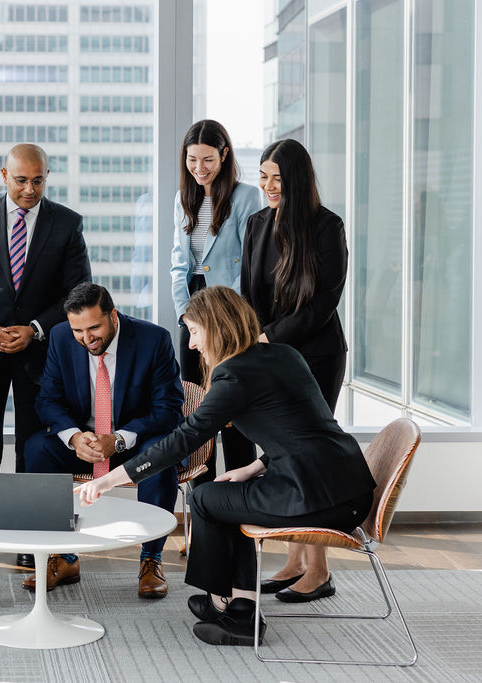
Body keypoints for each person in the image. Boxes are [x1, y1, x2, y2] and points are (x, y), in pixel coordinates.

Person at [75, 286, 375, 647]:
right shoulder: (284, 354)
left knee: (206, 499)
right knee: (224, 495)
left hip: (319, 497)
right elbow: (304, 431)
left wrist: (109, 480)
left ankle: (238, 611)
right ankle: (228, 598)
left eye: (195, 332)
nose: (192, 345)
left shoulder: (232, 376)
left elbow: (182, 440)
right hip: (350, 487)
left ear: (215, 328)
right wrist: (253, 468)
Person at [0, 143, 91, 568]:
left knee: (36, 449)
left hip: (41, 353)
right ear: (3, 175)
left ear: (48, 175)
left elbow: (76, 290)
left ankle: (36, 544)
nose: (30, 189)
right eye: (21, 180)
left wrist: (33, 330)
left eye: (38, 180)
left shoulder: (67, 224)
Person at [24, 282, 183, 598]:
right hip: (85, 443)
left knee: (160, 456)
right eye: (78, 331)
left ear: (112, 315)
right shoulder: (59, 337)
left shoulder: (154, 340)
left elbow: (168, 410)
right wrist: (75, 437)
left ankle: (151, 559)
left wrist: (119, 440)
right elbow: (48, 401)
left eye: (93, 327)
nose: (86, 338)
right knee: (37, 448)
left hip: (134, 443)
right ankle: (63, 555)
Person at [242, 138, 349, 603]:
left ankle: (319, 570)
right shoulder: (256, 223)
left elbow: (323, 303)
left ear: (297, 181)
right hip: (271, 357)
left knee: (307, 456)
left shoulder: (326, 227)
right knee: (280, 457)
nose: (267, 186)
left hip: (317, 358)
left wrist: (270, 337)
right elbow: (249, 296)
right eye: (263, 176)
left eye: (277, 179)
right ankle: (293, 561)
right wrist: (253, 340)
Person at [170, 120, 262, 484]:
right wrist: (184, 314)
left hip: (229, 314)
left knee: (234, 404)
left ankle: (243, 507)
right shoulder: (183, 197)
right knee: (197, 409)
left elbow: (250, 262)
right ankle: (202, 514)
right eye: (192, 159)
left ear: (225, 155)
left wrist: (225, 315)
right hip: (192, 312)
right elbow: (179, 261)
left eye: (208, 159)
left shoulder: (246, 196)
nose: (199, 168)